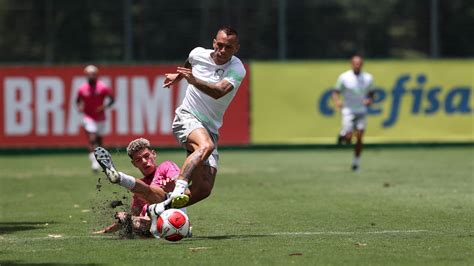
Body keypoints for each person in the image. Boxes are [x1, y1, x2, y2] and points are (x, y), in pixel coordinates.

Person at [141, 26, 247, 219]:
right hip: (187, 116)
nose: (222, 50)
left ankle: (158, 208)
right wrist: (179, 75)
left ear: (236, 48)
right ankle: (179, 188)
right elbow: (189, 64)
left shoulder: (237, 68)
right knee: (206, 145)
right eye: (220, 45)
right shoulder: (197, 53)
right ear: (214, 42)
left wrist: (191, 79)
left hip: (210, 127)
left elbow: (219, 92)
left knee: (203, 189)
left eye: (228, 47)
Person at [93, 138, 188, 238]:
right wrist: (105, 231)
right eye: (138, 160)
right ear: (134, 164)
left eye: (147, 156)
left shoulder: (165, 166)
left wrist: (174, 187)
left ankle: (119, 178)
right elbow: (134, 214)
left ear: (154, 154)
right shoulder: (139, 188)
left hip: (173, 219)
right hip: (150, 226)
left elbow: (181, 182)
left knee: (148, 192)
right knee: (128, 217)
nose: (144, 161)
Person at [332, 55, 375, 172]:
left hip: (361, 110)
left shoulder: (368, 78)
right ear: (351, 64)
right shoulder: (344, 77)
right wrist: (337, 101)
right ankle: (343, 134)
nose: (357, 65)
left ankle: (356, 163)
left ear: (362, 64)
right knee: (348, 137)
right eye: (355, 63)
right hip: (348, 111)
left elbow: (372, 93)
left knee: (360, 136)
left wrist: (369, 100)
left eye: (359, 63)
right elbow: (335, 91)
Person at [76, 65, 114, 172]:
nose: (90, 76)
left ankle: (100, 161)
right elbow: (78, 100)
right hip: (89, 117)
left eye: (92, 74)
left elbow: (112, 99)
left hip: (101, 118)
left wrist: (104, 107)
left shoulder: (102, 87)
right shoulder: (82, 88)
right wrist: (79, 107)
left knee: (99, 141)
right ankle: (94, 162)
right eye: (88, 74)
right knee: (92, 139)